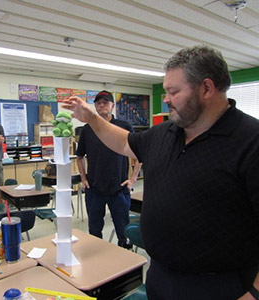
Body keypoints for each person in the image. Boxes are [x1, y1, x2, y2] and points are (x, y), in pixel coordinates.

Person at [63, 45, 259, 300]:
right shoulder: (165, 133)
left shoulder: (251, 142)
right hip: (160, 278)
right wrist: (92, 118)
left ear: (207, 88)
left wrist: (253, 293)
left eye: (173, 91)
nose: (165, 99)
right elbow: (124, 142)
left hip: (220, 287)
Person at [76, 90, 142, 248]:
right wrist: (84, 179)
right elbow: (79, 156)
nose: (101, 105)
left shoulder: (124, 127)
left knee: (123, 234)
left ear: (112, 106)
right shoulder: (87, 129)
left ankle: (125, 264)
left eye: (105, 102)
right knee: (94, 233)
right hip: (94, 189)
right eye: (98, 103)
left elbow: (139, 154)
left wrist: (133, 179)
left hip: (119, 189)